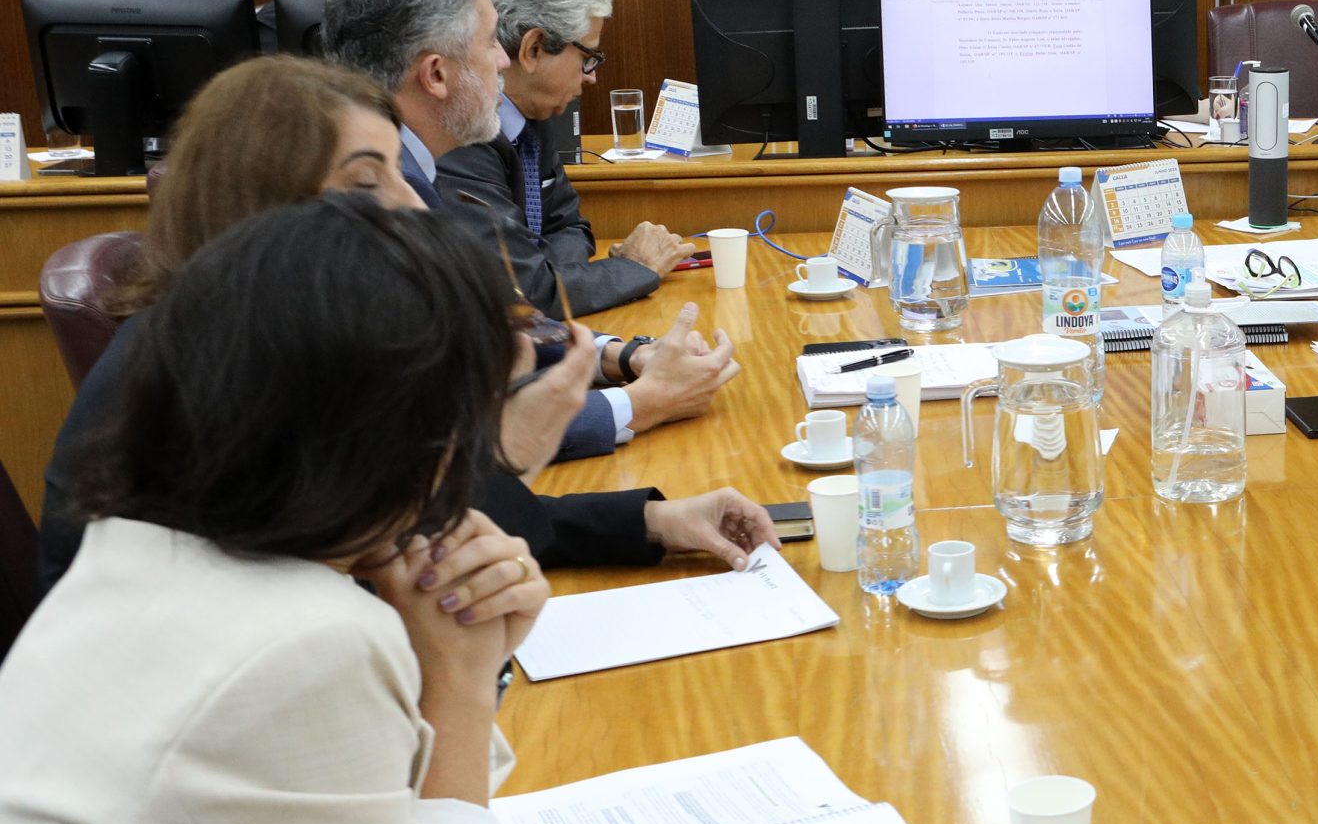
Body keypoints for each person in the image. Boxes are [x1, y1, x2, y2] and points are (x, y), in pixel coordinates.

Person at [0, 196, 544, 824]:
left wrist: (441, 652)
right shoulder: (295, 640)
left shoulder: (144, 557)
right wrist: (461, 691)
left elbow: (352, 822)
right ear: (402, 439)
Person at [30, 56, 773, 603]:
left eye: (398, 174)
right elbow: (405, 561)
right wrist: (508, 446)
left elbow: (424, 518)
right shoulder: (214, 376)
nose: (412, 208)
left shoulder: (278, 335)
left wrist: (654, 521)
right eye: (366, 182)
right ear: (266, 206)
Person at [325, 0, 738, 457]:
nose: (502, 62)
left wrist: (620, 356)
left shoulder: (405, 165)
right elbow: (449, 428)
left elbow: (502, 315)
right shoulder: (374, 202)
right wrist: (642, 402)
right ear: (435, 74)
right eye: (490, 41)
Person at [437, 0, 689, 317]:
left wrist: (546, 270)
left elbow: (572, 226)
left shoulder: (533, 120)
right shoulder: (457, 135)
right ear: (533, 48)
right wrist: (632, 268)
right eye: (587, 56)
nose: (591, 78)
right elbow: (522, 294)